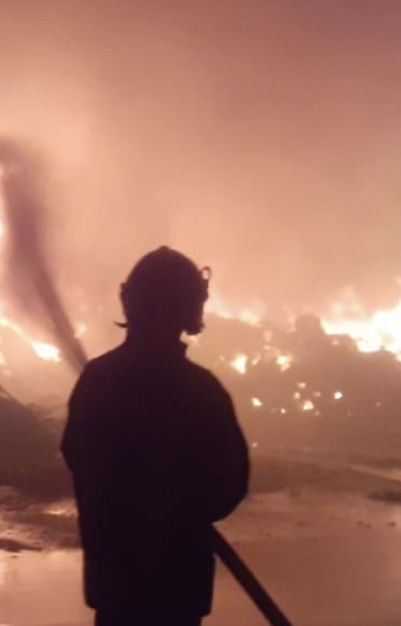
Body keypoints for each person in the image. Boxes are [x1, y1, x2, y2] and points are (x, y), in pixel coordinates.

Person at [61, 246, 251, 626]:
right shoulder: (201, 390)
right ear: (191, 308)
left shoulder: (98, 380)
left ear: (129, 301)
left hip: (115, 584)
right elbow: (230, 483)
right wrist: (184, 509)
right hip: (178, 586)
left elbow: (75, 455)